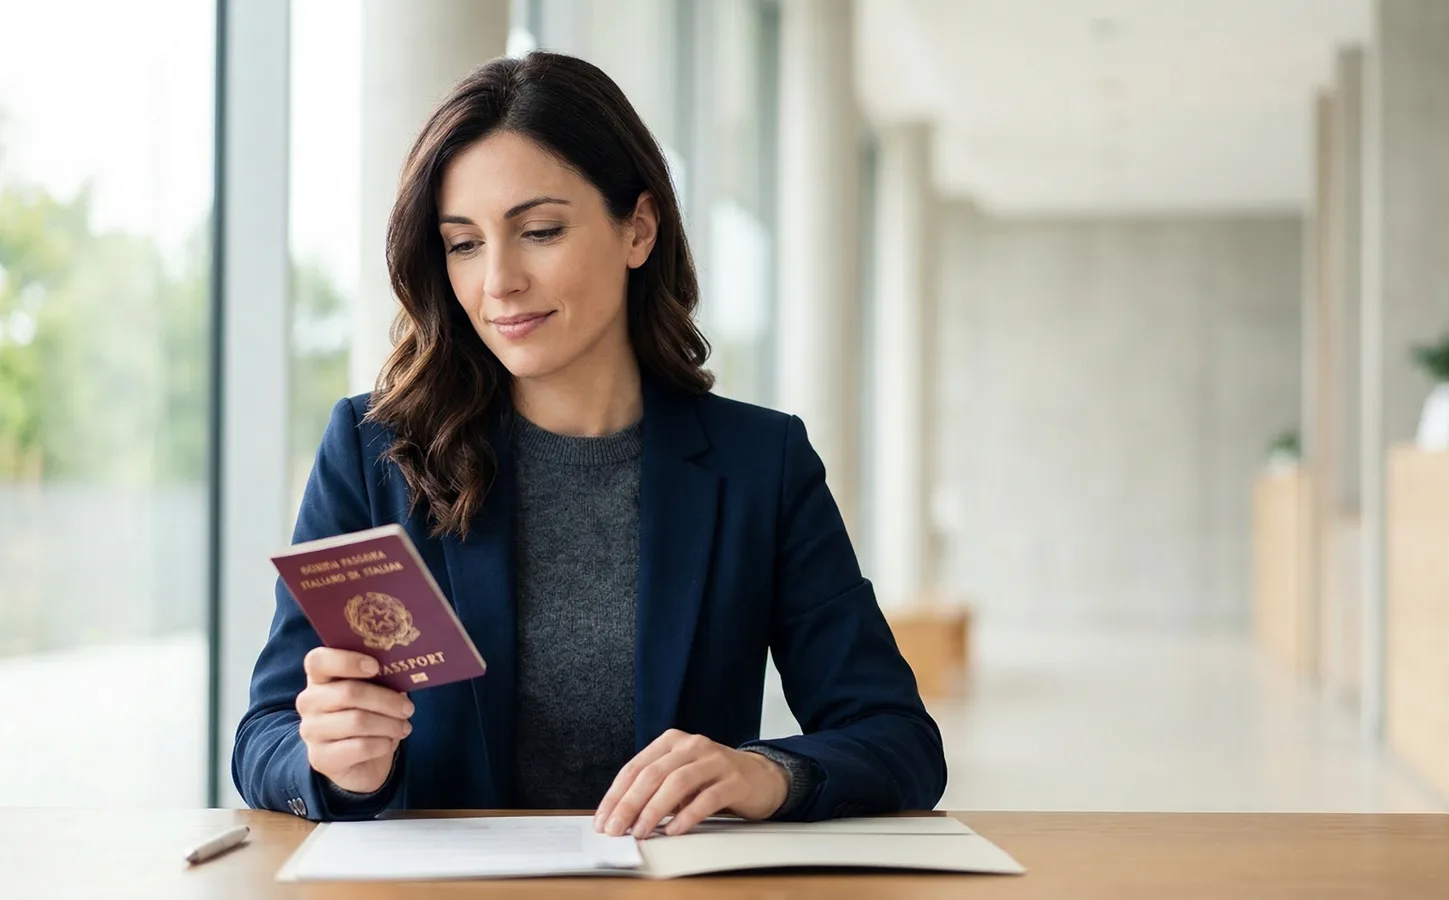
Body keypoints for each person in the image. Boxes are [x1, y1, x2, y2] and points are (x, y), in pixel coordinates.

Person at [232, 51, 945, 838]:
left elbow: (897, 739)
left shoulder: (760, 466)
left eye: (539, 231)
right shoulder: (375, 454)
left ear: (638, 228)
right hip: (441, 890)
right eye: (463, 244)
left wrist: (765, 772)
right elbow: (265, 736)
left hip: (670, 886)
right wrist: (334, 765)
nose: (498, 281)